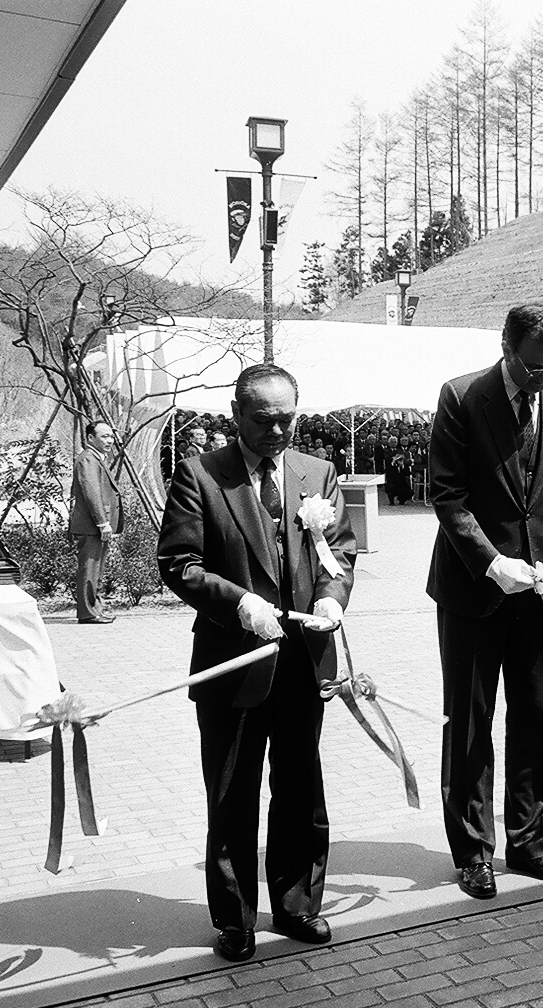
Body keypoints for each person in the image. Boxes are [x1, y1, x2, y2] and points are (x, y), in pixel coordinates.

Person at [156, 363, 355, 963]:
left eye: (287, 419)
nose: (277, 432)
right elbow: (179, 564)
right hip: (233, 663)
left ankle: (296, 905)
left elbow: (339, 549)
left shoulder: (317, 472)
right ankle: (235, 919)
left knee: (299, 787)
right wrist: (239, 604)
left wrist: (330, 596)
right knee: (232, 794)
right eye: (264, 420)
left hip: (302, 663)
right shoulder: (199, 476)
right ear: (236, 415)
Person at [427, 303, 543, 901]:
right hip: (475, 589)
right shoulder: (460, 397)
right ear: (505, 346)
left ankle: (530, 840)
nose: (540, 380)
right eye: (531, 369)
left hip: (541, 588)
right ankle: (474, 850)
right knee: (472, 722)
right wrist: (491, 562)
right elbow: (448, 497)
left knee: (537, 718)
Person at [67, 421, 124, 624]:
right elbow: (91, 492)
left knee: (97, 570)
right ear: (91, 438)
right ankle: (88, 612)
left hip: (95, 525)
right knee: (89, 569)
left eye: (111, 436)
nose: (110, 440)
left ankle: (95, 609)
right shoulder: (88, 459)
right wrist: (102, 522)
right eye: (104, 436)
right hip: (92, 526)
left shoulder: (97, 458)